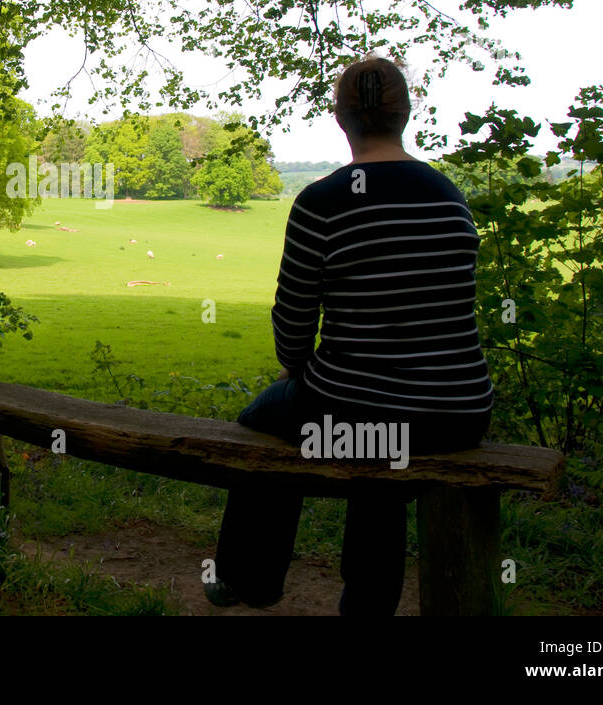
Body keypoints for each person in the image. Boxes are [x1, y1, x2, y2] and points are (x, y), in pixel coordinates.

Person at [208, 55, 494, 615]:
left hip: (359, 407)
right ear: (405, 114)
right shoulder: (450, 199)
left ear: (341, 119)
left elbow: (292, 323)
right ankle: (367, 605)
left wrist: (298, 369)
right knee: (377, 439)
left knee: (265, 423)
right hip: (459, 414)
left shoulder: (323, 202)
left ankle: (248, 579)